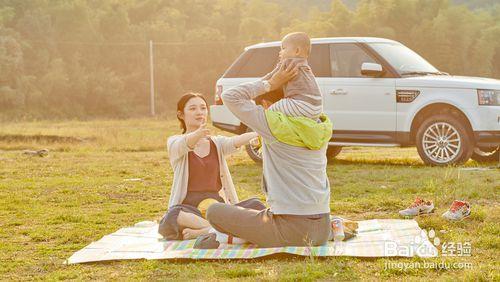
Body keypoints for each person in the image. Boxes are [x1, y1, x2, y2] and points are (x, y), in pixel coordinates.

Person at [203, 52, 333, 248]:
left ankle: (229, 238)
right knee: (255, 204)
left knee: (214, 211)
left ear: (265, 104)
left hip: (290, 230)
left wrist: (270, 82)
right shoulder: (318, 123)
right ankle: (242, 235)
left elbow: (230, 96)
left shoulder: (272, 124)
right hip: (323, 228)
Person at [158, 92, 266, 240]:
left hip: (217, 209)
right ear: (180, 114)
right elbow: (186, 144)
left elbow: (237, 140)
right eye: (193, 108)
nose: (199, 112)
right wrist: (198, 133)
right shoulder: (175, 142)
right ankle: (217, 230)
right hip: (190, 211)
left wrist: (261, 133)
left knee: (256, 205)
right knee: (172, 215)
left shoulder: (217, 143)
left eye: (203, 108)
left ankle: (205, 231)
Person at [264, 32, 322, 120]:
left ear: (297, 51)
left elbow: (270, 77)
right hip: (317, 108)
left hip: (300, 103)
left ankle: (267, 132)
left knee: (269, 112)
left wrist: (258, 85)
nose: (280, 52)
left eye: (283, 48)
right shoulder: (305, 66)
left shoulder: (288, 63)